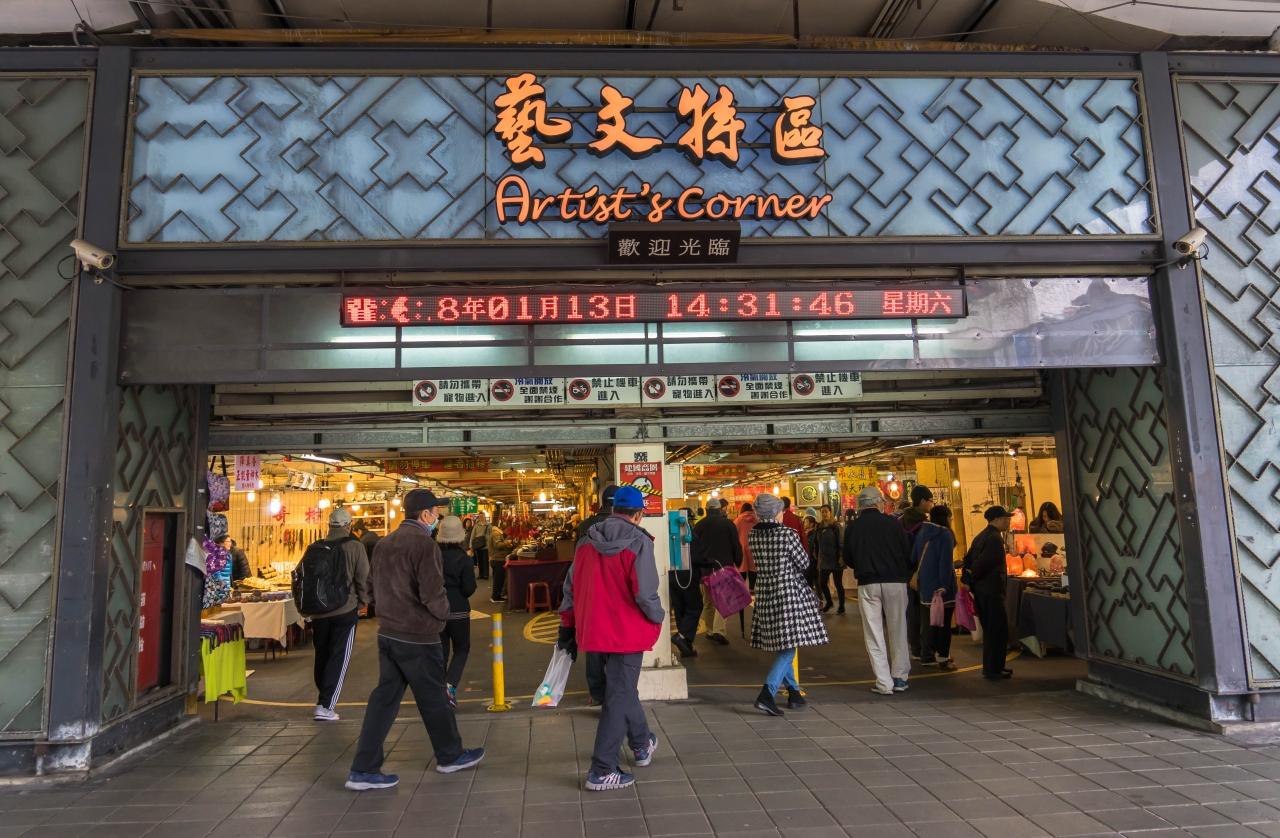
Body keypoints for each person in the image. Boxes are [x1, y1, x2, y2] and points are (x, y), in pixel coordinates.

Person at [346, 489, 485, 791]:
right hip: (419, 636)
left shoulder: (384, 544)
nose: (437, 517)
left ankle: (363, 769)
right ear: (424, 514)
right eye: (435, 512)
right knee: (435, 698)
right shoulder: (424, 545)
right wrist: (442, 616)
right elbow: (432, 591)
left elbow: (369, 587)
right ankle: (450, 755)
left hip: (388, 634)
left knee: (384, 701)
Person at [557, 486, 663, 791]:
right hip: (626, 632)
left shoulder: (586, 542)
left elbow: (570, 587)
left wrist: (568, 623)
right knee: (619, 695)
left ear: (613, 510)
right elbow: (645, 592)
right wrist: (658, 616)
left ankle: (641, 743)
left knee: (622, 689)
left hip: (594, 629)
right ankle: (602, 769)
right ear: (638, 514)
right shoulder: (639, 542)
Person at [748, 493, 828, 716]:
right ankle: (767, 694)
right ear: (775, 513)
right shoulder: (787, 534)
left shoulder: (753, 535)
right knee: (789, 646)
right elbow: (803, 562)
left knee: (784, 645)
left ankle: (794, 693)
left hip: (765, 593)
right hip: (787, 594)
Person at [297, 508, 370, 721]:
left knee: (322, 654)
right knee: (339, 657)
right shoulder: (355, 546)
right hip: (344, 609)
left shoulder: (315, 546)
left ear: (329, 525)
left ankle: (323, 697)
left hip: (319, 611)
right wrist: (363, 601)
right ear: (349, 525)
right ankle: (326, 705)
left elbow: (302, 577)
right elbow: (363, 577)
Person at [844, 487, 913, 696]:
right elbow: (906, 551)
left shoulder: (853, 527)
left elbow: (848, 558)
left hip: (868, 583)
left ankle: (884, 682)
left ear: (860, 505)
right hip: (895, 582)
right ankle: (900, 677)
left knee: (873, 633)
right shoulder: (893, 523)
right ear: (878, 502)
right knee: (898, 629)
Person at [573, 485, 617, 704]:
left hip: (591, 594)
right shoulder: (625, 527)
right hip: (616, 595)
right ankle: (616, 694)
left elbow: (576, 565)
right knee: (617, 645)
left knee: (594, 646)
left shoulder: (584, 526)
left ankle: (596, 693)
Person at [685, 497, 743, 655]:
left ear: (706, 509)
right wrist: (738, 560)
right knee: (723, 599)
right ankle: (719, 631)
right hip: (723, 567)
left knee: (708, 601)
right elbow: (736, 545)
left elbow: (693, 548)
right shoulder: (728, 524)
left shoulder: (700, 525)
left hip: (705, 569)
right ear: (720, 509)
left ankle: (710, 630)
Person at [965, 505, 1013, 680]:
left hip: (982, 590)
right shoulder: (994, 539)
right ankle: (993, 669)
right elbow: (985, 563)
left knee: (991, 629)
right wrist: (975, 575)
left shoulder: (980, 536)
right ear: (997, 519)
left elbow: (968, 560)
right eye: (1006, 518)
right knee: (996, 629)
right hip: (992, 590)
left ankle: (995, 666)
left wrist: (970, 579)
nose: (1008, 521)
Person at [437, 515, 477, 707]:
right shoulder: (464, 558)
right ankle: (450, 685)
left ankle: (439, 690)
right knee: (462, 649)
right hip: (459, 610)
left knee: (441, 652)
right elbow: (469, 588)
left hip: (437, 610)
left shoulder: (433, 557)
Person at [914, 505, 958, 671]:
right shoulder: (945, 534)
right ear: (945, 518)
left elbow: (913, 556)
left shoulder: (922, 532)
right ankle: (943, 657)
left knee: (928, 623)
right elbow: (945, 563)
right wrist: (944, 585)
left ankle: (927, 655)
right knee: (943, 624)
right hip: (941, 589)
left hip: (925, 586)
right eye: (950, 517)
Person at [899, 486, 934, 660]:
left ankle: (915, 647)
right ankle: (926, 649)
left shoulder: (900, 521)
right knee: (924, 611)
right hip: (921, 571)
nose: (931, 504)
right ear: (922, 501)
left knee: (911, 610)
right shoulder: (924, 525)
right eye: (930, 501)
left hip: (904, 572)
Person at [815, 507, 844, 614]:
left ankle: (841, 606)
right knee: (822, 583)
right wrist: (816, 554)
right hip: (823, 560)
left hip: (836, 559)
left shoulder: (836, 526)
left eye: (826, 511)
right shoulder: (819, 526)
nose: (824, 514)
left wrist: (841, 557)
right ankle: (829, 602)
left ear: (830, 512)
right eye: (822, 512)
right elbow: (816, 543)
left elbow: (841, 542)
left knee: (838, 584)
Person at [487, 515, 515, 603]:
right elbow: (498, 545)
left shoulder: (497, 533)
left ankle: (497, 596)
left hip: (497, 558)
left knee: (498, 579)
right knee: (498, 579)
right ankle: (495, 597)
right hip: (497, 559)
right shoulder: (496, 533)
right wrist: (507, 542)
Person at [735, 502, 759, 591]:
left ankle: (742, 589)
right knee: (753, 568)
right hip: (754, 547)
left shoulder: (738, 520)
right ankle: (752, 588)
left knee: (742, 568)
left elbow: (734, 535)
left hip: (742, 547)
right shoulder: (757, 520)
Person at [470, 512, 490, 580]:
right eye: (480, 516)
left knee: (485, 560)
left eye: (482, 516)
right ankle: (480, 574)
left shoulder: (488, 525)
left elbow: (491, 535)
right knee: (480, 561)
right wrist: (471, 546)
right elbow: (472, 535)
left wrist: (490, 545)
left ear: (484, 517)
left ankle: (486, 574)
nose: (481, 518)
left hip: (486, 545)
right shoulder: (476, 525)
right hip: (478, 545)